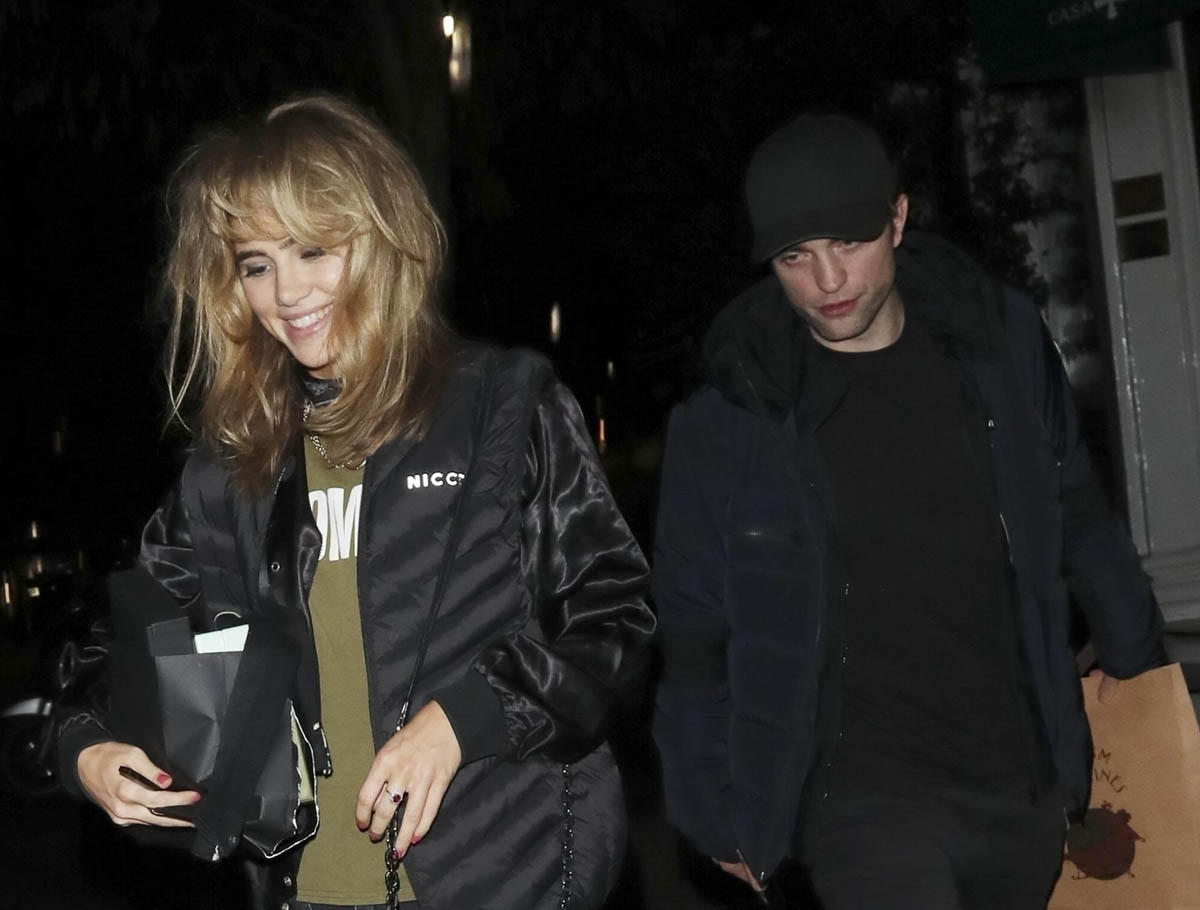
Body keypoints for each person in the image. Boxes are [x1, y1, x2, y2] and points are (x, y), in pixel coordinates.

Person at [55, 94, 655, 910]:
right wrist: (85, 748)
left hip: (507, 878)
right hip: (305, 889)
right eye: (256, 264)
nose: (286, 292)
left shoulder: (502, 407)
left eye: (313, 249)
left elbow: (613, 623)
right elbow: (120, 635)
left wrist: (466, 718)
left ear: (380, 237)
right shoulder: (234, 465)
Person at [652, 112, 1165, 909]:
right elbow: (692, 636)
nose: (827, 282)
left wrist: (1138, 665)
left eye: (847, 242)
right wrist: (710, 811)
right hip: (858, 799)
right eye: (795, 257)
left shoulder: (998, 350)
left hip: (1020, 782)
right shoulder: (730, 424)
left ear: (897, 218)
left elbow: (1080, 518)